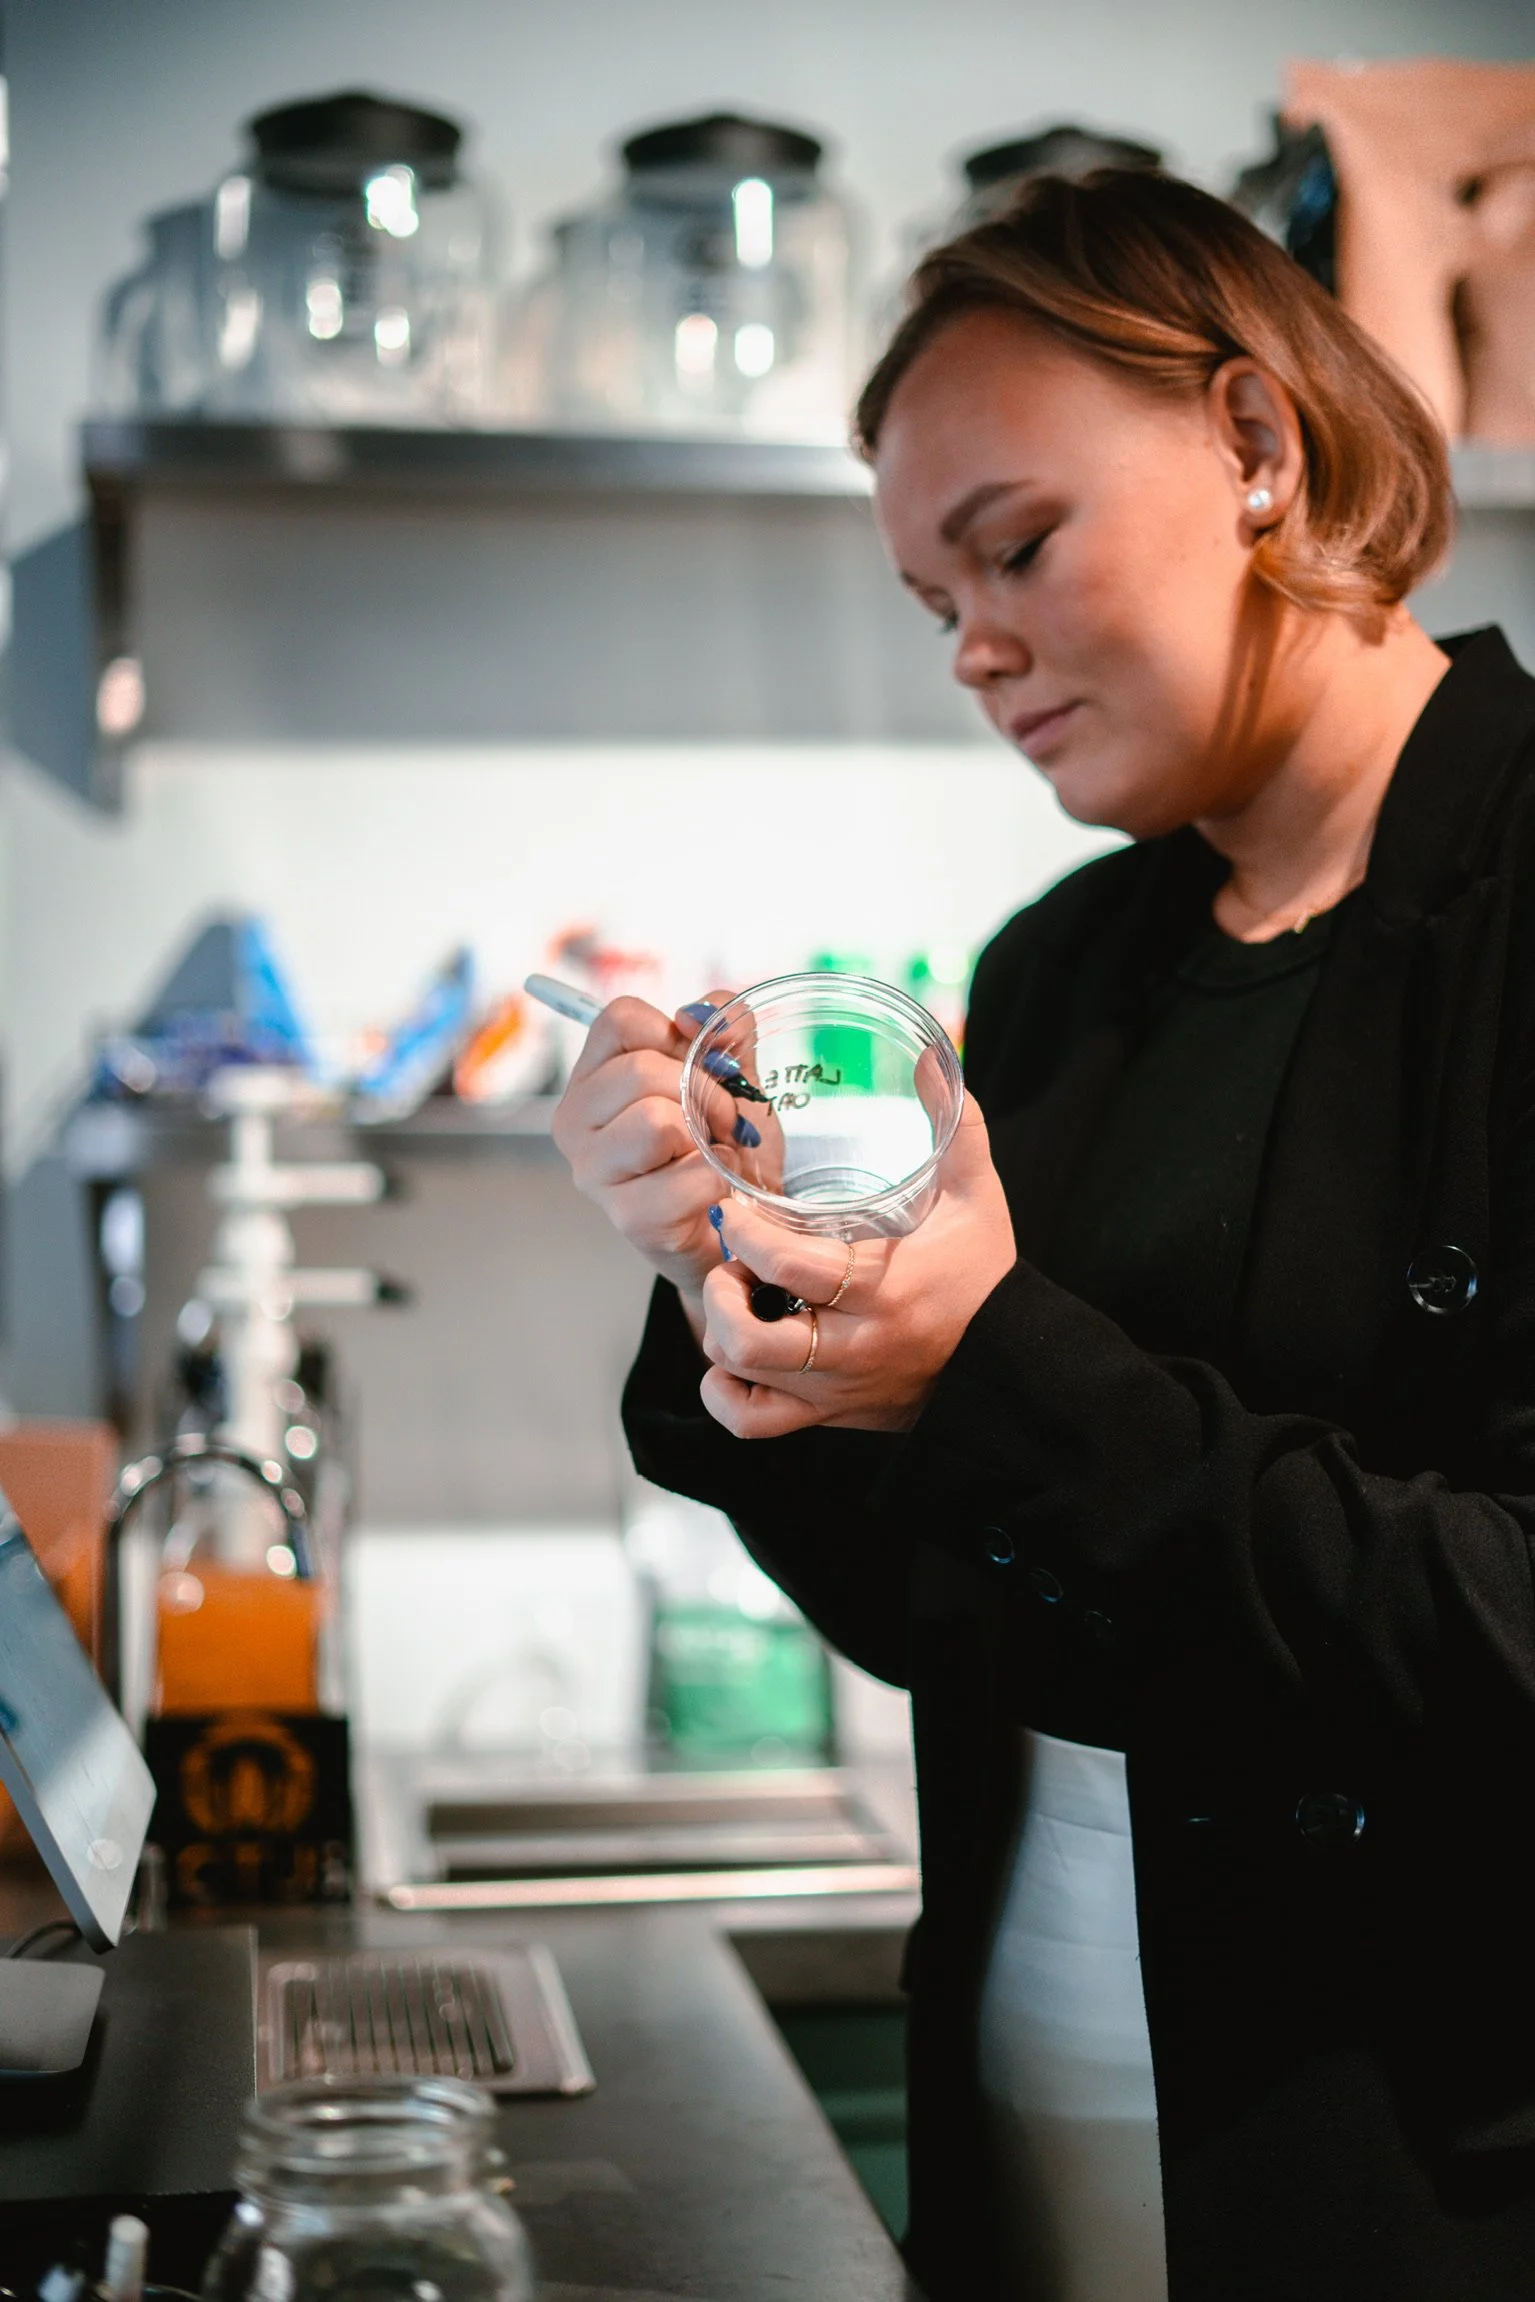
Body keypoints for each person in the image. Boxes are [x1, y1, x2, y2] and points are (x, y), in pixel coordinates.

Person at [550, 168, 1535, 2302]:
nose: (974, 645)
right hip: (1042, 2075)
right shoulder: (1068, 968)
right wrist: (736, 1284)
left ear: (1258, 448)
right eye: (934, 600)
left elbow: (1500, 1621)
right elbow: (949, 1590)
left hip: (1414, 2152)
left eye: (1012, 545)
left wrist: (984, 1362)